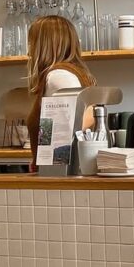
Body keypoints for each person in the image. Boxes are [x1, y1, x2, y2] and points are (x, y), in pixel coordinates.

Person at [25, 14, 95, 169]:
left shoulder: (58, 77)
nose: (29, 49)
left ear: (43, 45)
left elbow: (70, 126)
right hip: (62, 168)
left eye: (32, 42)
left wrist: (43, 159)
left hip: (62, 170)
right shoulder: (69, 73)